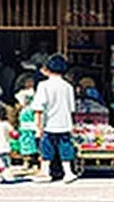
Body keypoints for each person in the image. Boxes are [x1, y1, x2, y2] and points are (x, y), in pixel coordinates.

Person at [32, 53, 77, 183]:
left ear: (48, 69)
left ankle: (45, 172)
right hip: (65, 123)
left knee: (47, 148)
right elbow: (71, 108)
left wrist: (38, 127)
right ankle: (68, 172)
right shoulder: (68, 86)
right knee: (65, 147)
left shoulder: (43, 86)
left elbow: (38, 108)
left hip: (49, 124)